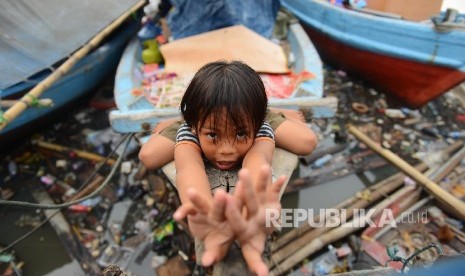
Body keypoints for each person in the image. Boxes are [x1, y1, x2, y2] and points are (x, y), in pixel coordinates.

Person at [140, 60, 317, 274]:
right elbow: (189, 170)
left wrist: (244, 216)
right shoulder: (189, 130)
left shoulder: (261, 127)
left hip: (246, 115)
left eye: (241, 134)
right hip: (206, 117)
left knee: (306, 142)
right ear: (195, 128)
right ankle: (193, 118)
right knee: (149, 156)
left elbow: (258, 163)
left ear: (257, 123)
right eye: (213, 135)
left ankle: (268, 110)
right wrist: (208, 216)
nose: (226, 150)